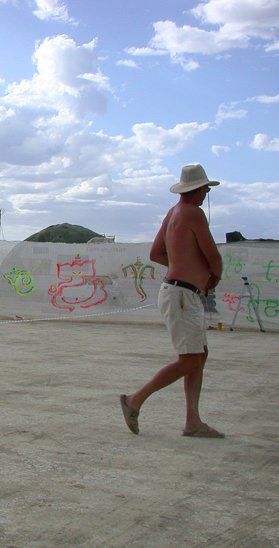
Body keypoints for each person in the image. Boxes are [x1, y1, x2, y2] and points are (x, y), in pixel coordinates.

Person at [120, 164, 224, 438]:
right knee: (191, 360)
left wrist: (182, 266)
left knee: (198, 356)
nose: (206, 195)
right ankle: (135, 399)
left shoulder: (173, 213)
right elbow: (213, 256)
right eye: (206, 190)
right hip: (181, 294)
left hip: (178, 290)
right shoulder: (194, 213)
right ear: (200, 189)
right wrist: (212, 277)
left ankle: (193, 421)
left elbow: (156, 253)